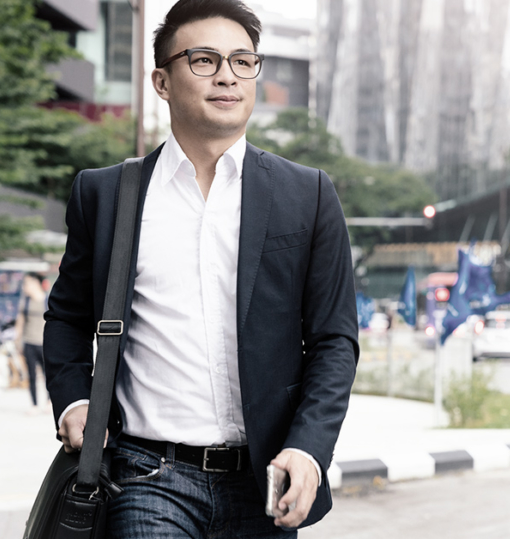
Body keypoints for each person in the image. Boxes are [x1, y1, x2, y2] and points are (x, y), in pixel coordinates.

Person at [43, 1, 359, 536]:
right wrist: (75, 400)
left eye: (243, 61)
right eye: (205, 60)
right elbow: (68, 316)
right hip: (145, 476)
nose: (228, 76)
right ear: (162, 82)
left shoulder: (306, 194)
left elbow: (334, 340)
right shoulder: (107, 195)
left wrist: (308, 448)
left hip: (265, 481)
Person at [14, 272, 48, 412]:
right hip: (29, 342)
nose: (24, 287)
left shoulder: (48, 299)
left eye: (26, 283)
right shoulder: (26, 301)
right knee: (31, 376)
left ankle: (49, 402)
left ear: (35, 283)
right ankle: (34, 405)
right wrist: (17, 341)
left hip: (45, 343)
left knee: (49, 375)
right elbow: (20, 322)